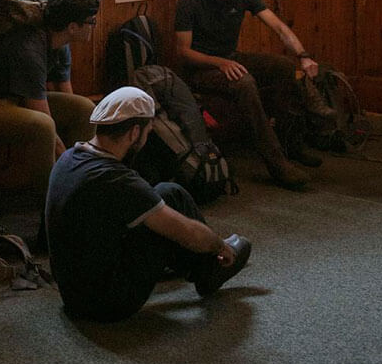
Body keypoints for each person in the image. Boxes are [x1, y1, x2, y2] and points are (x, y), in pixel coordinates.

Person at [46, 86, 251, 321]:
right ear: (134, 132)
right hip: (105, 305)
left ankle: (201, 267)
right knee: (171, 201)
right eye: (148, 131)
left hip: (73, 294)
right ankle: (212, 269)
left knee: (165, 193)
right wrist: (218, 245)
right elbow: (185, 230)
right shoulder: (116, 180)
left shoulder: (69, 157)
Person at [174, 0, 320, 190]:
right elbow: (184, 52)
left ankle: (291, 142)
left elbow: (279, 27)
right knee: (245, 82)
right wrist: (219, 63)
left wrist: (303, 56)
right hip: (201, 68)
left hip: (231, 58)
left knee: (283, 66)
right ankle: (276, 163)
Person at [0, 0, 101, 197]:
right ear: (72, 26)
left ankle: (82, 181)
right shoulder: (29, 46)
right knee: (43, 125)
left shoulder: (60, 42)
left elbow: (65, 93)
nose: (94, 25)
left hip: (15, 99)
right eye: (91, 21)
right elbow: (39, 108)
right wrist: (65, 160)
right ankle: (52, 198)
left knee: (84, 108)